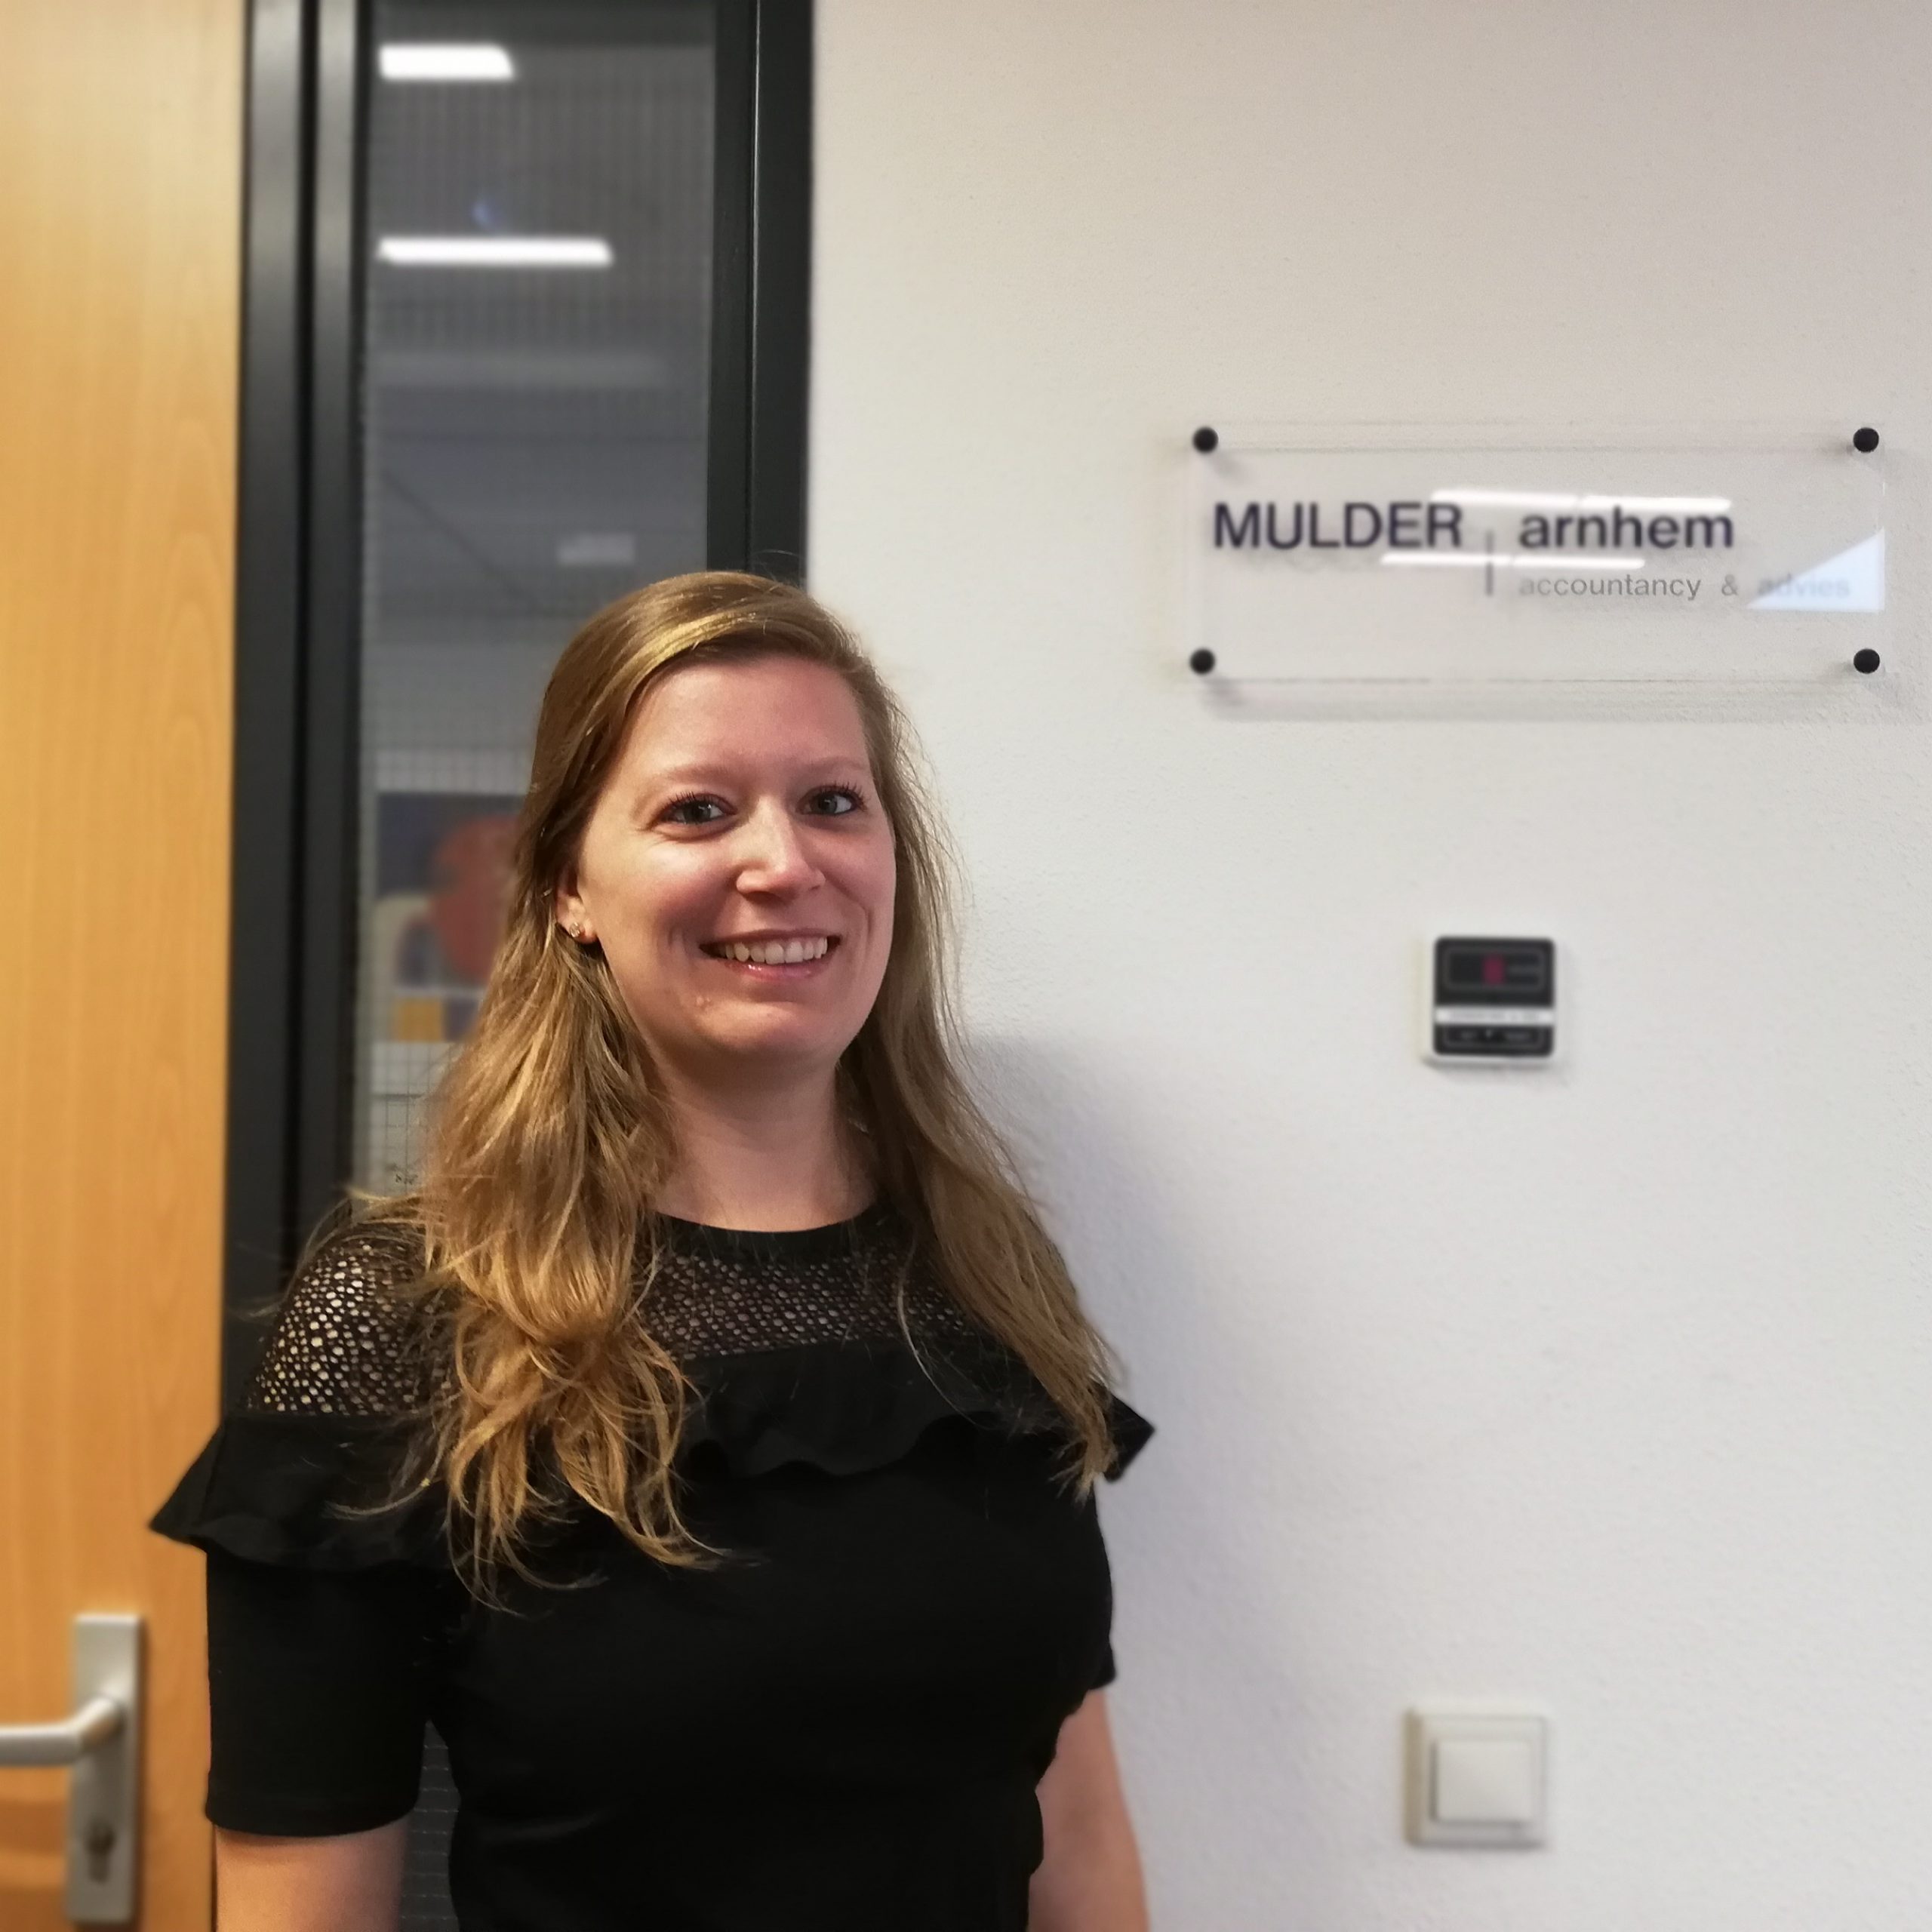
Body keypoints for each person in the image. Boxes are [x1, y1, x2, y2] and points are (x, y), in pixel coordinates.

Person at [152, 571, 1153, 1931]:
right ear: (570, 885)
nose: (782, 863)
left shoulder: (980, 1273)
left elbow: (1076, 1834)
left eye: (832, 802)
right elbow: (299, 1905)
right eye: (698, 810)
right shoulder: (405, 1314)